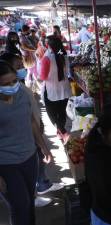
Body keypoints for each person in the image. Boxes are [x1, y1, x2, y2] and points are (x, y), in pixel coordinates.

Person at [0, 53, 63, 207]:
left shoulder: (21, 93)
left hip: (29, 157)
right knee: (20, 208)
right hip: (7, 164)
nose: (12, 86)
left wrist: (44, 147)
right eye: (6, 84)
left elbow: (32, 121)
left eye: (14, 81)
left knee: (29, 204)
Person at [39, 35, 72, 144]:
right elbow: (67, 71)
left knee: (52, 113)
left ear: (48, 45)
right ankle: (61, 131)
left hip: (51, 90)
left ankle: (63, 131)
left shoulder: (47, 57)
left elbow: (42, 77)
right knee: (62, 112)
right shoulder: (63, 54)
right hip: (64, 89)